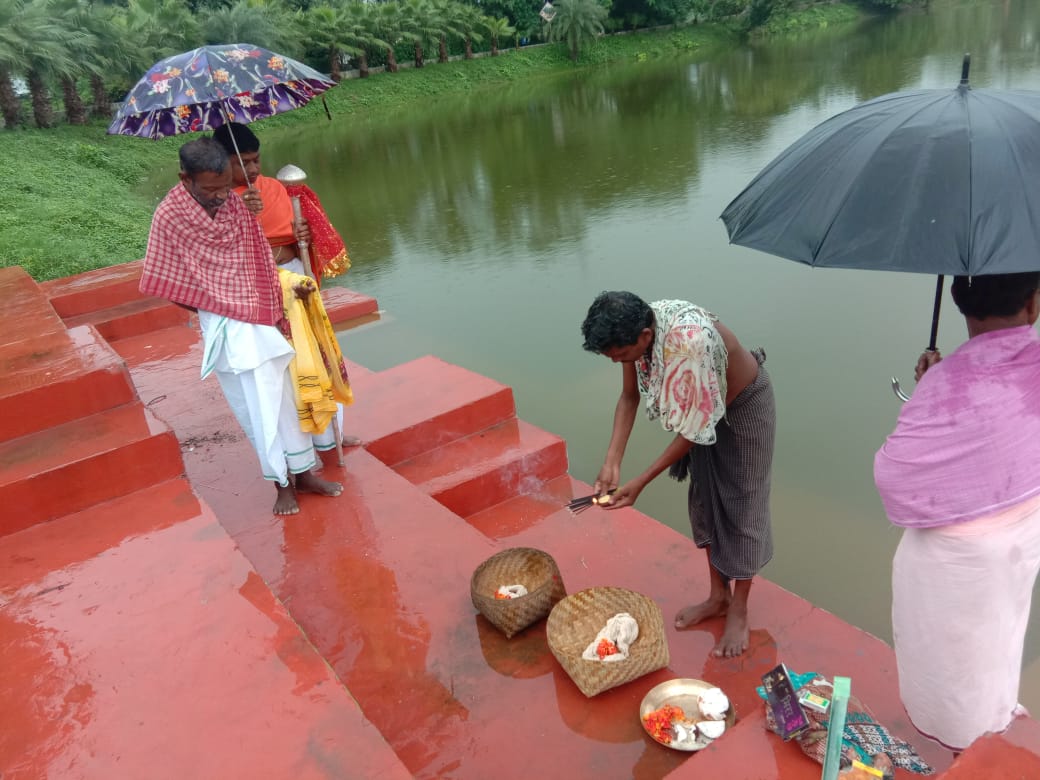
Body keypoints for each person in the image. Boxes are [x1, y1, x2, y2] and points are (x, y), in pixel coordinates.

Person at [875, 272, 1040, 753]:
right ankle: (992, 721)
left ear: (959, 302)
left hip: (956, 560)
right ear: (1032, 305)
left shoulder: (947, 381)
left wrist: (931, 390)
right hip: (1022, 539)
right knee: (1001, 636)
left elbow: (896, 476)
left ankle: (963, 746)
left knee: (952, 663)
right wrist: (936, 385)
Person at [139, 136, 343, 515]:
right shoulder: (169, 215)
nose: (219, 196)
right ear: (185, 178)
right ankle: (280, 484)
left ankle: (303, 473)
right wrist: (212, 304)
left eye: (222, 187)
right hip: (226, 327)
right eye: (210, 189)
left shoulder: (235, 204)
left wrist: (271, 306)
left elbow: (260, 262)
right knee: (255, 407)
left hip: (262, 316)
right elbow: (163, 278)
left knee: (285, 397)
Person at [581, 291, 776, 657]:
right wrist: (612, 461)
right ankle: (719, 596)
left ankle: (739, 607)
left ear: (643, 335)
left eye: (621, 355)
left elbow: (693, 428)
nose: (618, 361)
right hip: (702, 411)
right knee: (704, 498)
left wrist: (640, 481)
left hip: (743, 408)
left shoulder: (690, 344)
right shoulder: (635, 332)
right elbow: (629, 396)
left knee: (742, 506)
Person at [212, 121, 358, 449]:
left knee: (318, 353)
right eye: (241, 162)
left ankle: (332, 432)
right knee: (284, 365)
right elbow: (220, 254)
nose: (251, 169)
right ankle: (298, 447)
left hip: (294, 277)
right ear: (221, 162)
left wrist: (302, 236)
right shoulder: (215, 201)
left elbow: (295, 236)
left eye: (255, 160)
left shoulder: (277, 189)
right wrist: (238, 213)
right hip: (258, 288)